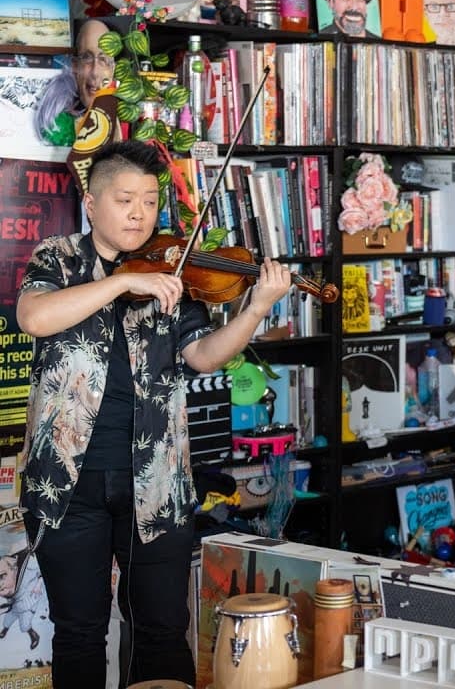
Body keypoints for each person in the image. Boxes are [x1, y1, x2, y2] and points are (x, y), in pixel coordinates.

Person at [16, 141, 294, 687]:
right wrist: (121, 281)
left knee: (163, 630)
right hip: (69, 483)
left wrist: (256, 308)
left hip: (159, 482)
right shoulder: (58, 258)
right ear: (93, 204)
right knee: (78, 631)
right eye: (125, 200)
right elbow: (34, 317)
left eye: (149, 200)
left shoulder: (174, 268)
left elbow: (203, 356)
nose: (139, 213)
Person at [35, 19, 113, 146]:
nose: (95, 72)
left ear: (115, 67)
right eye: (87, 57)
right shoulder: (59, 122)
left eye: (104, 60)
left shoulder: (127, 121)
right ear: (75, 65)